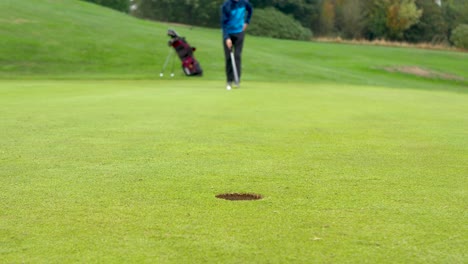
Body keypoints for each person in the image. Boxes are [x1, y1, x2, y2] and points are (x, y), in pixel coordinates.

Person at [221, 0, 253, 90]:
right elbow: (223, 24)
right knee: (228, 58)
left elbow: (250, 10)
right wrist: (227, 38)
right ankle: (229, 81)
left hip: (239, 33)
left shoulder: (244, 3)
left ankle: (237, 79)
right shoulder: (226, 5)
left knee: (237, 56)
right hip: (229, 33)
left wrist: (247, 22)